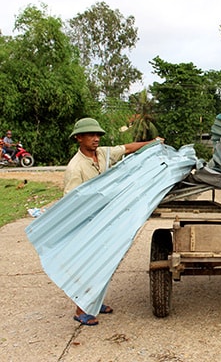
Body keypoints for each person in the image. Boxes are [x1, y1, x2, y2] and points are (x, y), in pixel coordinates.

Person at [64, 117, 162, 326]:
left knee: (104, 263)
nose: (96, 139)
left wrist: (151, 143)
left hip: (105, 219)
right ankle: (80, 310)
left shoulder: (103, 154)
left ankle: (94, 302)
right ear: (79, 138)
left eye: (98, 135)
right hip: (87, 223)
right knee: (87, 266)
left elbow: (127, 148)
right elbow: (71, 203)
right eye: (91, 135)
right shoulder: (76, 168)